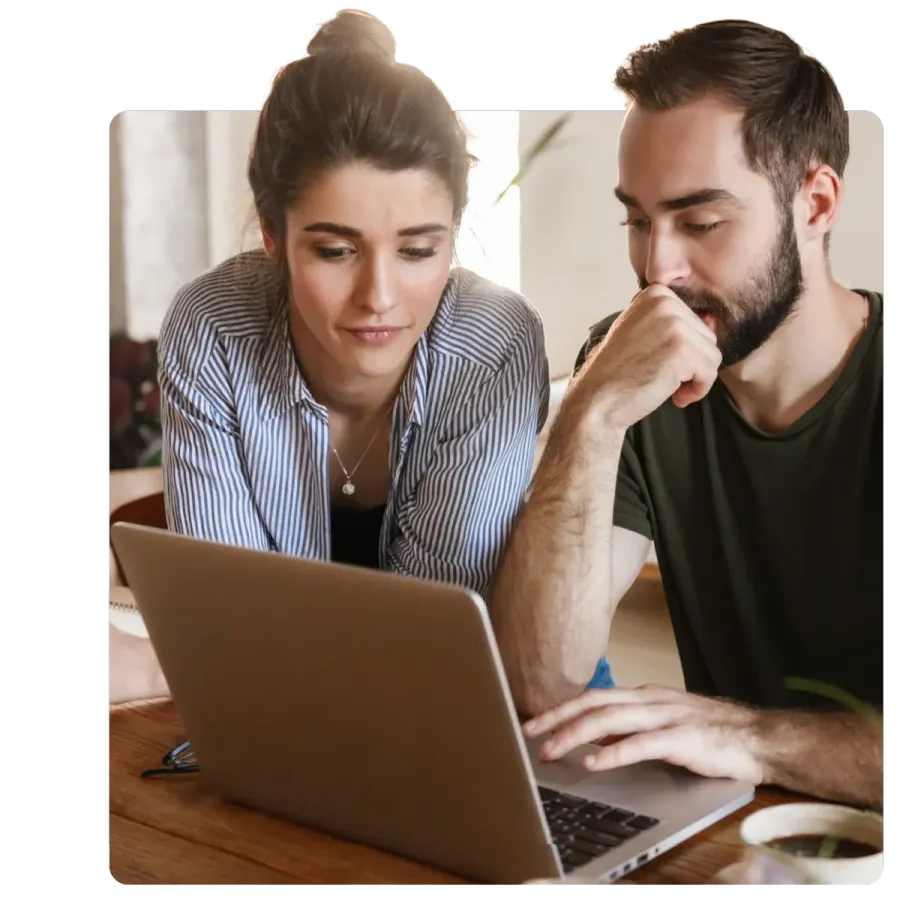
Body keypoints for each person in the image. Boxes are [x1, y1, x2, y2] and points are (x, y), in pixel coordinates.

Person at [108, 8, 615, 703]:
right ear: (271, 233)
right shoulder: (214, 327)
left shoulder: (495, 345)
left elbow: (427, 648)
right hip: (289, 702)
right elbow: (228, 619)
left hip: (482, 699)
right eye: (335, 250)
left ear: (454, 234)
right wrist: (213, 653)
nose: (379, 297)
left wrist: (157, 668)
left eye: (417, 250)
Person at [490, 18, 886, 812]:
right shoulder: (632, 367)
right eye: (637, 220)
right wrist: (591, 412)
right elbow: (541, 683)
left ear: (815, 204)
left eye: (700, 223)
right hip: (748, 839)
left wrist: (747, 735)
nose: (656, 270)